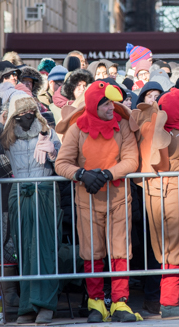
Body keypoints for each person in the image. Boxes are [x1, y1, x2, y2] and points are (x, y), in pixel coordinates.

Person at [54, 82, 141, 323]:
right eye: (105, 103)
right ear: (94, 105)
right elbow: (61, 163)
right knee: (92, 253)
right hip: (87, 201)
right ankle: (96, 304)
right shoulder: (77, 129)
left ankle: (120, 303)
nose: (110, 107)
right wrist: (82, 174)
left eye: (112, 102)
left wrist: (107, 173)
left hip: (118, 198)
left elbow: (132, 160)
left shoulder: (122, 125)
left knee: (120, 252)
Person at [129, 88, 179, 319]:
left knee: (162, 251)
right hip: (176, 197)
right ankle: (169, 302)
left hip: (152, 196)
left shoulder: (148, 131)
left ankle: (164, 301)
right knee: (178, 250)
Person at [0, 94, 62, 324]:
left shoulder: (47, 131)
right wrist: (1, 118)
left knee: (44, 249)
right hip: (19, 193)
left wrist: (53, 151)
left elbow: (63, 161)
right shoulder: (6, 135)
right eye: (20, 111)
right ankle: (27, 305)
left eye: (30, 111)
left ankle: (45, 305)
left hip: (44, 190)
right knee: (24, 250)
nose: (26, 115)